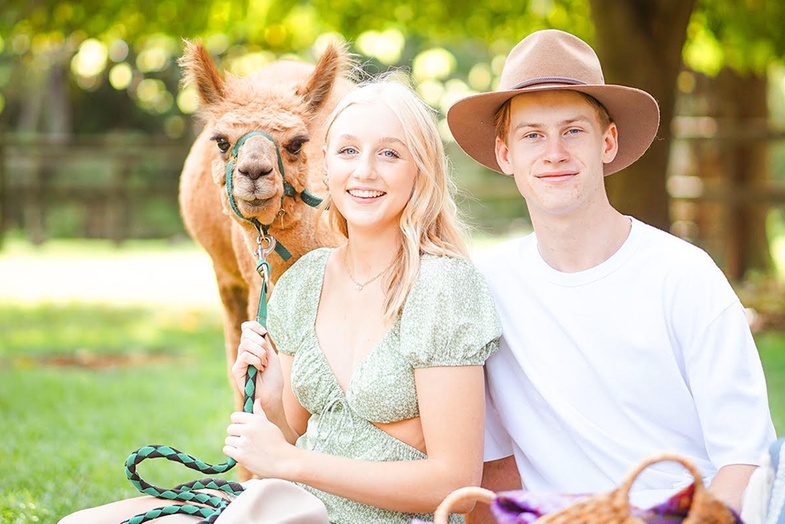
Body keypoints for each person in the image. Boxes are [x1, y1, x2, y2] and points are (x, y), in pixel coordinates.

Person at [60, 77, 501, 524]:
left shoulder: (443, 288)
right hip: (291, 507)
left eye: (389, 153)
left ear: (422, 168)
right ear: (323, 165)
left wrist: (293, 465)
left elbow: (455, 485)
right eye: (348, 151)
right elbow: (297, 437)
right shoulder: (303, 282)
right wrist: (271, 400)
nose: (365, 170)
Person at [445, 29, 776, 520]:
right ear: (504, 154)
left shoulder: (682, 275)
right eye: (532, 134)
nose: (554, 151)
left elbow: (746, 460)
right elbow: (494, 469)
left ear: (608, 141)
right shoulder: (485, 288)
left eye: (573, 130)